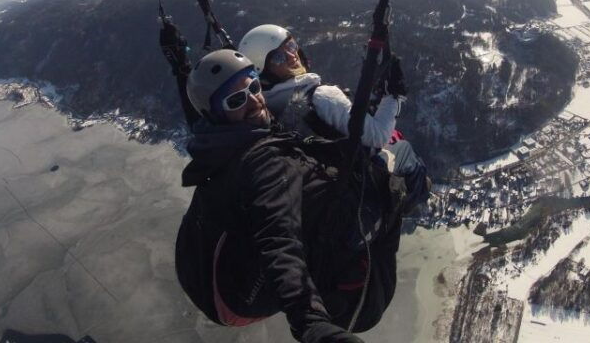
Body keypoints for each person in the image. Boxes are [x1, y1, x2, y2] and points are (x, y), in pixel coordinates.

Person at [173, 48, 407, 343]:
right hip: (236, 297)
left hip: (202, 270)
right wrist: (309, 321)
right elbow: (279, 240)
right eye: (236, 100)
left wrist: (180, 67)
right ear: (218, 115)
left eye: (254, 86)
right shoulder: (264, 161)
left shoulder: (215, 140)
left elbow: (198, 117)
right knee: (391, 191)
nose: (254, 100)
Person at [238, 24, 429, 208]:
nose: (291, 56)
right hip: (354, 180)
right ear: (264, 70)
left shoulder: (265, 106)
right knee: (404, 150)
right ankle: (409, 202)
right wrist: (394, 96)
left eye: (290, 45)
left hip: (322, 178)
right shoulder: (321, 96)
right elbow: (378, 137)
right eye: (278, 57)